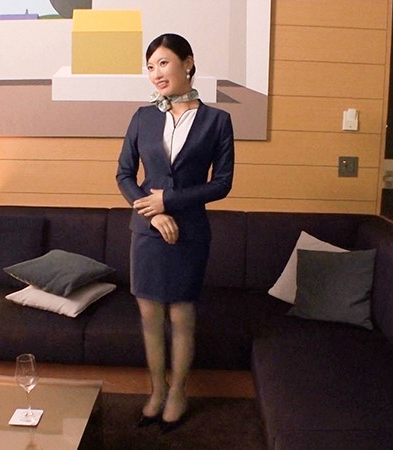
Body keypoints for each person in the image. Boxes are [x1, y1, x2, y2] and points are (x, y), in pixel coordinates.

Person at [116, 33, 234, 433]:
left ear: (188, 62)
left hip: (190, 232)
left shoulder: (217, 121)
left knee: (181, 316)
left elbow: (222, 184)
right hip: (147, 231)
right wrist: (152, 213)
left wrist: (169, 201)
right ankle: (157, 390)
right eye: (150, 67)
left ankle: (179, 392)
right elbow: (124, 175)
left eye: (163, 63)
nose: (156, 73)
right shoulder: (142, 117)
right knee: (150, 316)